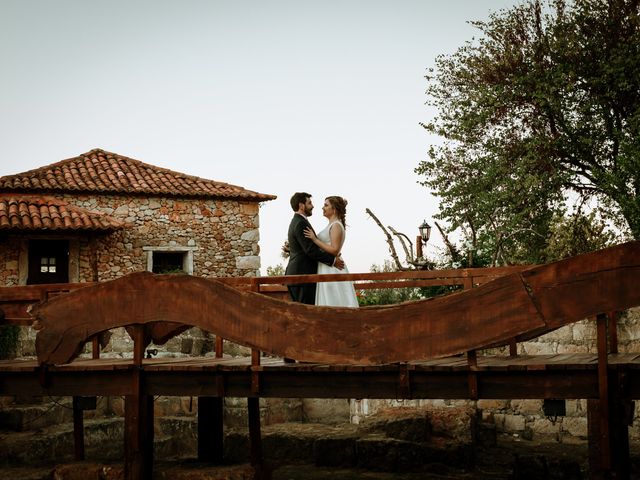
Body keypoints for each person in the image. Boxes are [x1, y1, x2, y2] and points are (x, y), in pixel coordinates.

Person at [285, 192, 344, 305]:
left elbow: (305, 247)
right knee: (306, 313)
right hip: (302, 275)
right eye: (309, 203)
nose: (313, 206)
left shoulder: (299, 221)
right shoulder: (300, 223)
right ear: (301, 206)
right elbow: (310, 250)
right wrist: (332, 260)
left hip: (301, 275)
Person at [303, 196, 359, 307]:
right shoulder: (331, 225)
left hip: (333, 269)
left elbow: (335, 250)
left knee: (335, 299)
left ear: (334, 209)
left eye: (326, 205)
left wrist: (315, 239)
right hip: (326, 267)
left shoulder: (336, 226)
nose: (323, 208)